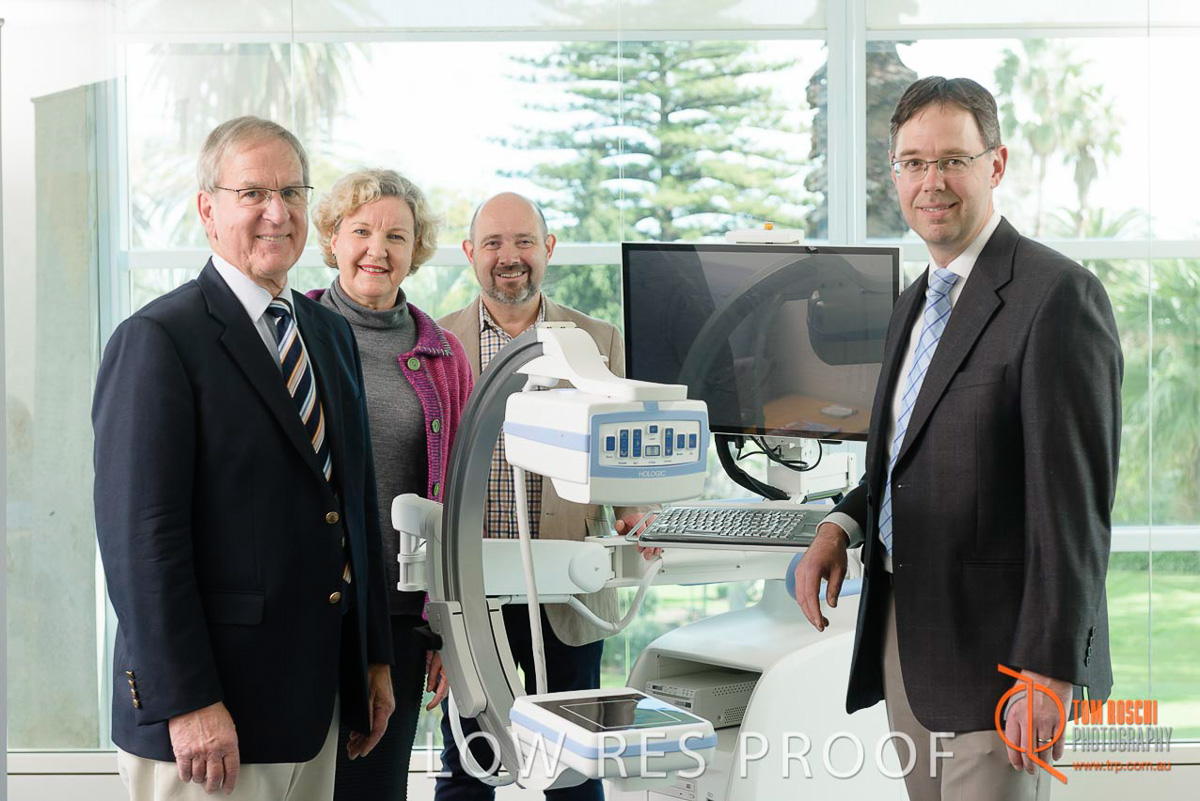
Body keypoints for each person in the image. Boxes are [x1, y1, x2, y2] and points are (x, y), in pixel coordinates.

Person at [795, 77, 1122, 801]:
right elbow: (906, 457)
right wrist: (839, 526)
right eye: (913, 162)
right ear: (895, 174)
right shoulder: (914, 301)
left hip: (1003, 659)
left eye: (952, 160)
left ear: (995, 164)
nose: (931, 182)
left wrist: (1049, 670)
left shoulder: (1056, 296)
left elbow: (1074, 508)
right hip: (908, 640)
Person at [94, 117, 394, 800]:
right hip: (209, 720)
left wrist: (372, 657)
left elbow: (352, 504)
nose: (276, 212)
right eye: (253, 192)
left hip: (315, 703)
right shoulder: (158, 339)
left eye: (291, 192)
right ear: (208, 208)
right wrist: (189, 700)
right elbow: (141, 544)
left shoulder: (329, 334)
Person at [435, 192, 646, 801]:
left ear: (548, 248)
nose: (510, 256)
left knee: (574, 769)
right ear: (470, 253)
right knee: (469, 762)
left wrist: (637, 515)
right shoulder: (438, 341)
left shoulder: (597, 339)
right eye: (494, 243)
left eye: (524, 241)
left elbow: (623, 460)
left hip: (567, 590)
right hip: (472, 591)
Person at [308, 168, 472, 799]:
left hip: (401, 614)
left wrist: (449, 627)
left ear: (415, 250)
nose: (377, 249)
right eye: (361, 231)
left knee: (375, 786)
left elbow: (459, 499)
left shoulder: (443, 355)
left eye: (396, 236)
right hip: (310, 605)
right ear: (333, 239)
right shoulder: (292, 332)